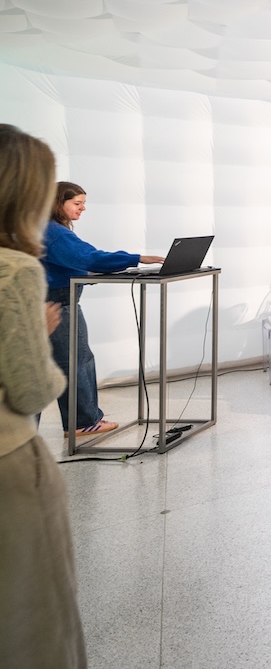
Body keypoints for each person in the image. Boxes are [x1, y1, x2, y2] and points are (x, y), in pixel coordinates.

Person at [0, 125, 87, 667]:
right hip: (9, 460)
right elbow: (32, 386)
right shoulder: (15, 270)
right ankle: (84, 417)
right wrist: (38, 330)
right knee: (35, 620)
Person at [43, 181, 165, 436]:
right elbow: (90, 257)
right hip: (58, 302)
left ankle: (82, 420)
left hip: (55, 299)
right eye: (77, 203)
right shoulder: (54, 232)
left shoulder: (49, 229)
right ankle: (83, 422)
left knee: (74, 360)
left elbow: (69, 262)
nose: (83, 208)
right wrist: (136, 258)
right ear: (58, 203)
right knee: (75, 362)